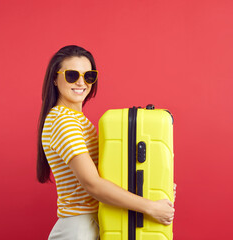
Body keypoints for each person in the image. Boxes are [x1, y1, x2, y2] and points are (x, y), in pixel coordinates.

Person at [37, 45, 176, 240]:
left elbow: (106, 172)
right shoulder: (63, 121)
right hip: (79, 229)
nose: (81, 82)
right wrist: (151, 207)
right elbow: (92, 184)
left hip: (91, 224)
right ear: (54, 78)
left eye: (88, 76)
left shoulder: (77, 120)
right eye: (71, 75)